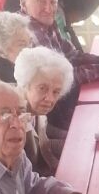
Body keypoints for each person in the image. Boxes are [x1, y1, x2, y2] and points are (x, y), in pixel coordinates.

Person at [21, 0, 99, 130]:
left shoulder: (46, 22)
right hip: (49, 117)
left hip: (61, 103)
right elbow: (65, 79)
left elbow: (73, 56)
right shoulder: (30, 30)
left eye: (53, 2)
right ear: (23, 5)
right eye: (41, 2)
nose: (48, 8)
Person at [14, 46, 74, 176]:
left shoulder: (34, 110)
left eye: (56, 92)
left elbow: (44, 144)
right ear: (25, 83)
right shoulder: (15, 121)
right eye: (42, 88)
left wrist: (75, 139)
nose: (50, 99)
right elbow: (27, 177)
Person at [0, 11, 33, 83]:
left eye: (30, 42)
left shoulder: (25, 67)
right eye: (22, 45)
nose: (30, 49)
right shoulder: (5, 81)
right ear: (1, 52)